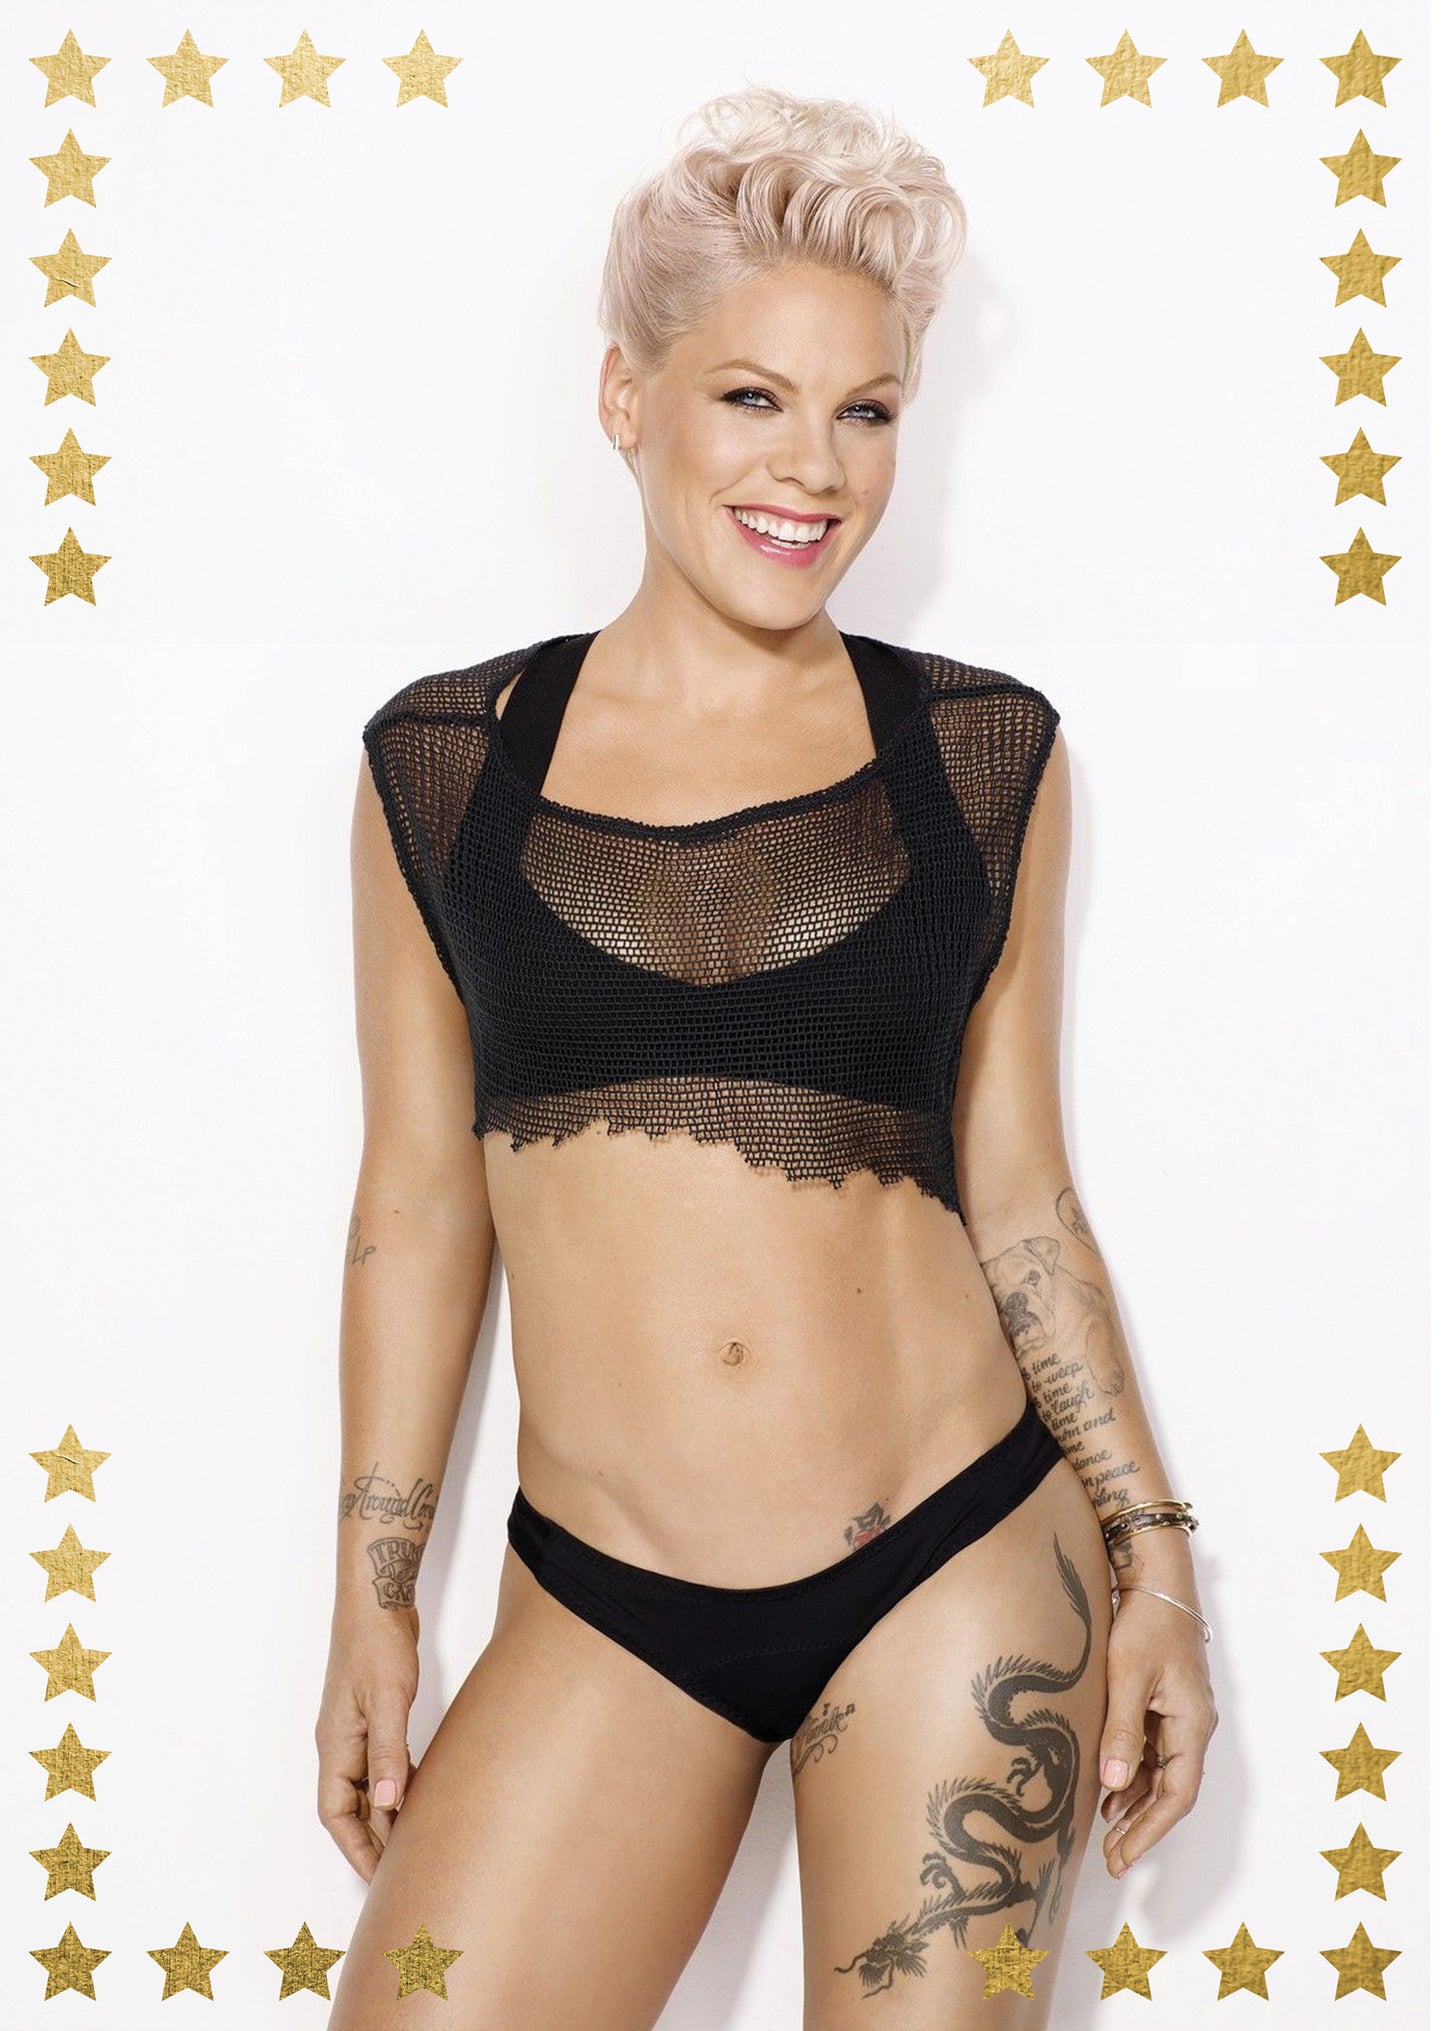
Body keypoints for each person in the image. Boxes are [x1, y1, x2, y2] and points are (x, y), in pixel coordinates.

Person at [317, 83, 1217, 2030]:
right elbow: (414, 1206)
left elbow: (1022, 1192)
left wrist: (1154, 1557)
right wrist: (372, 1595)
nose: (814, 466)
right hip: (603, 1593)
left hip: (958, 1564)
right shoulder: (440, 766)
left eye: (866, 410)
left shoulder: (981, 755)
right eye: (752, 397)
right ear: (625, 395)